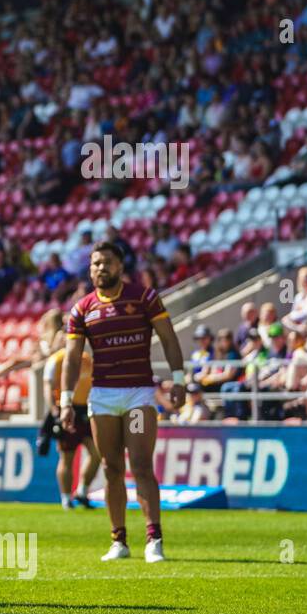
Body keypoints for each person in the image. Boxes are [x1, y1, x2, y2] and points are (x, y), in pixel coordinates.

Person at [61, 242, 186, 564]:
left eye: (106, 263)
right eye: (95, 264)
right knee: (111, 467)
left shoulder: (144, 297)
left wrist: (180, 379)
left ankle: (154, 539)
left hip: (138, 394)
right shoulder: (82, 309)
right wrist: (64, 399)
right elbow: (72, 358)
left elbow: (169, 339)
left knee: (142, 465)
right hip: (102, 397)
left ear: (120, 266)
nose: (100, 269)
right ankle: (119, 541)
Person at [44, 338, 100, 509]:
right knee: (67, 455)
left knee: (97, 453)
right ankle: (66, 498)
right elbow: (48, 385)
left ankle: (82, 490)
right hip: (67, 409)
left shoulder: (86, 358)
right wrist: (55, 410)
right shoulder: (57, 359)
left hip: (86, 410)